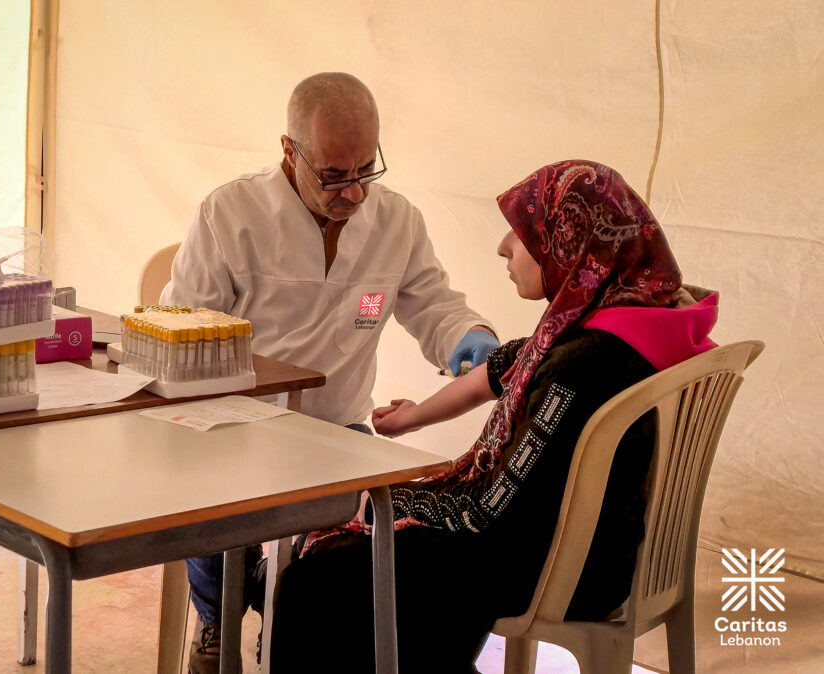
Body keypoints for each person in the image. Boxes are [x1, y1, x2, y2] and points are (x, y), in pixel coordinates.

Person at [269, 159, 720, 672]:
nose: (504, 247)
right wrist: (413, 418)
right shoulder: (630, 320)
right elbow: (501, 368)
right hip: (596, 544)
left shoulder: (582, 366)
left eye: (522, 234)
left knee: (322, 573)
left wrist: (381, 505)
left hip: (564, 567)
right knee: (365, 546)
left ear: (568, 244)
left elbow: (489, 511)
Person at [160, 72, 498, 673]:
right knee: (213, 517)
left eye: (367, 170)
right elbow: (184, 330)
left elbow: (434, 305)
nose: (355, 192)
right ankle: (216, 622)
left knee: (346, 560)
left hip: (337, 431)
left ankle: (289, 629)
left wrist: (468, 337)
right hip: (237, 426)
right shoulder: (231, 213)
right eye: (335, 175)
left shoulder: (397, 222)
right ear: (289, 151)